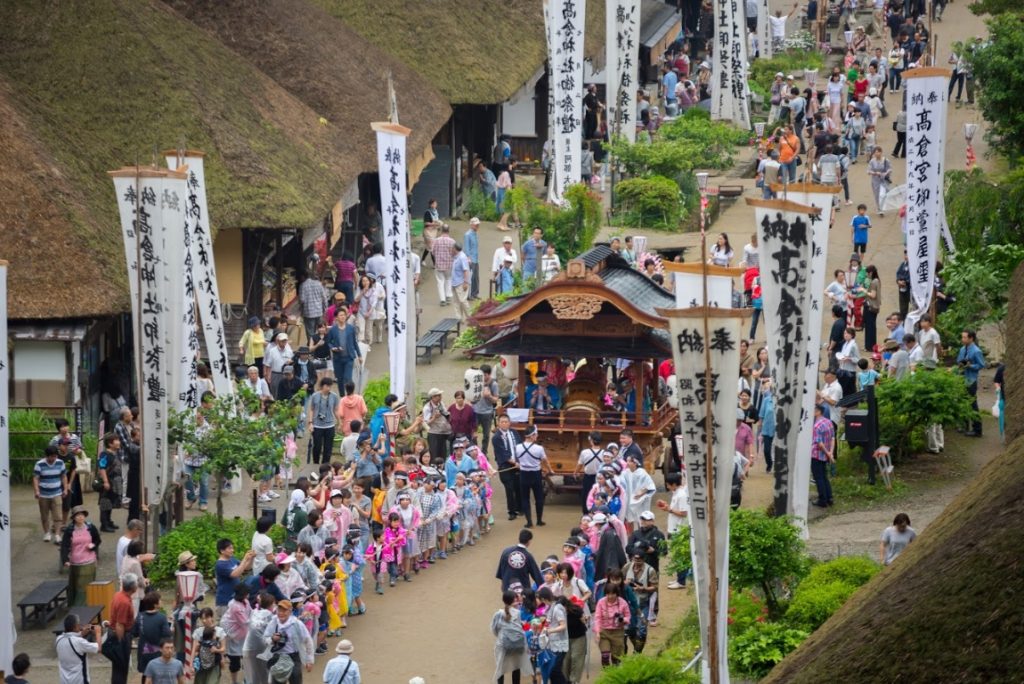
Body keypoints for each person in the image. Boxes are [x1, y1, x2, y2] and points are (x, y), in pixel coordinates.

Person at [263, 599, 315, 683]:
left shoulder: (297, 624)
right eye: (279, 610)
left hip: (293, 657)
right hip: (277, 657)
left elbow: (308, 641)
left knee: (295, 681)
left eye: (284, 610)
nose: (281, 613)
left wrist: (309, 660)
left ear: (290, 611)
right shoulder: (273, 622)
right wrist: (272, 639)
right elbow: (265, 640)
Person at [512, 425, 552, 528]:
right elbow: (545, 461)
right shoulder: (539, 448)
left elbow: (516, 460)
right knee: (539, 498)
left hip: (524, 474)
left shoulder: (518, 447)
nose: (537, 436)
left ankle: (529, 521)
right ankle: (539, 520)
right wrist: (550, 469)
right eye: (536, 434)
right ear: (532, 435)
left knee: (525, 498)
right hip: (536, 474)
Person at [60, 505, 100, 606]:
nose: (80, 517)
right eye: (78, 515)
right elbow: (64, 546)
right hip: (75, 562)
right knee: (75, 586)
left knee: (85, 586)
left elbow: (97, 540)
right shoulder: (69, 530)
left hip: (89, 561)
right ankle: (75, 606)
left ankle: (83, 607)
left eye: (82, 515)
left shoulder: (90, 527)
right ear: (74, 517)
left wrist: (93, 546)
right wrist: (65, 560)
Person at [491, 590, 531, 684]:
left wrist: (502, 636)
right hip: (517, 645)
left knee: (500, 668)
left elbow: (494, 629)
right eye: (516, 598)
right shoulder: (518, 613)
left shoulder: (498, 614)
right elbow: (519, 630)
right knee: (516, 667)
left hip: (503, 645)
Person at [34, 444, 67, 543]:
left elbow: (64, 476)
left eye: (55, 456)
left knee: (58, 516)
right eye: (51, 456)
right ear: (46, 456)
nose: (53, 458)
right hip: (43, 494)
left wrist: (65, 488)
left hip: (57, 493)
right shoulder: (39, 464)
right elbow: (36, 478)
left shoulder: (60, 463)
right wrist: (37, 491)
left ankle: (57, 535)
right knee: (44, 516)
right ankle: (47, 533)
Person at [55, 613, 101, 684]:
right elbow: (98, 648)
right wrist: (98, 633)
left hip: (64, 681)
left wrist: (81, 633)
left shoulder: (58, 639)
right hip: (79, 681)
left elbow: (70, 637)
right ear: (74, 627)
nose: (80, 626)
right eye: (79, 624)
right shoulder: (79, 642)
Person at [594, 581, 631, 667]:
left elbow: (628, 616)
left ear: (616, 594)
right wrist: (597, 632)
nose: (610, 596)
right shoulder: (601, 602)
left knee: (616, 657)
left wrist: (623, 620)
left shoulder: (623, 603)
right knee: (605, 655)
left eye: (612, 594)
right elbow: (597, 618)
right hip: (604, 632)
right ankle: (607, 672)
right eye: (608, 594)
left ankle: (614, 674)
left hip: (618, 632)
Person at [536, 588, 570, 683]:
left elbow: (563, 626)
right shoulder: (551, 607)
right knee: (552, 671)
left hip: (560, 644)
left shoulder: (557, 608)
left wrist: (549, 631)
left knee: (554, 670)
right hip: (553, 644)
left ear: (543, 598)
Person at [492, 414, 521, 520]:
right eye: (502, 422)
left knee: (518, 486)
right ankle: (512, 511)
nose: (504, 423)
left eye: (506, 421)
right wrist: (514, 463)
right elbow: (503, 454)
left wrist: (520, 461)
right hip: (505, 466)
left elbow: (520, 446)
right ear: (499, 424)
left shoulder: (514, 432)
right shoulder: (496, 437)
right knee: (509, 488)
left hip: (517, 464)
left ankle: (520, 508)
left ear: (509, 423)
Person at [110, 573, 138, 684]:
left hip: (120, 633)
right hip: (121, 635)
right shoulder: (124, 602)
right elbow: (120, 624)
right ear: (132, 587)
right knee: (121, 668)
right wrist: (120, 644)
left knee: (118, 668)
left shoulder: (119, 595)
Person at [957, 330, 986, 437]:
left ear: (971, 338)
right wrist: (961, 364)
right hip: (961, 378)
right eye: (962, 337)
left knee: (972, 404)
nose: (962, 339)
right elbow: (959, 361)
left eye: (964, 337)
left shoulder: (976, 351)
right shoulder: (962, 349)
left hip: (971, 379)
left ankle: (977, 429)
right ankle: (964, 425)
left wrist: (970, 366)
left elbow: (981, 365)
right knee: (962, 402)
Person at [325, 309, 361, 387]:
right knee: (340, 379)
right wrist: (333, 348)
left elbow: (354, 343)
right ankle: (342, 395)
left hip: (349, 357)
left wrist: (359, 355)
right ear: (336, 318)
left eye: (344, 315)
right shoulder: (333, 330)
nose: (343, 317)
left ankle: (350, 395)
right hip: (338, 358)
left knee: (348, 378)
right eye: (340, 315)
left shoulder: (351, 328)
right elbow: (329, 342)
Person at [308, 378, 340, 465]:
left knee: (328, 449)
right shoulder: (315, 396)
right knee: (317, 447)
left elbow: (335, 410)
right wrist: (310, 423)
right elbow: (311, 409)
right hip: (317, 425)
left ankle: (325, 466)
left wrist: (340, 422)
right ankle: (315, 464)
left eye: (330, 386)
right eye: (326, 386)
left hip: (329, 425)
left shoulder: (334, 396)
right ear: (322, 386)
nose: (328, 388)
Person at [573, 431, 604, 516]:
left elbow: (580, 464)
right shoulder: (604, 453)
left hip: (588, 477)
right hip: (600, 478)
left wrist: (575, 473)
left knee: (586, 496)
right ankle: (598, 513)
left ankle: (586, 514)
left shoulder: (585, 452)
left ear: (591, 440)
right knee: (599, 496)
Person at [811, 404, 835, 507]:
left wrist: (827, 453)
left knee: (818, 477)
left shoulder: (816, 426)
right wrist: (830, 453)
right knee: (824, 476)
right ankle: (829, 497)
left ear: (818, 412)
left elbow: (819, 443)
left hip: (817, 454)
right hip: (826, 454)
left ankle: (822, 500)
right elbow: (833, 438)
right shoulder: (829, 422)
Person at [451, 242, 472, 322]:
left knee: (462, 300)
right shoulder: (456, 256)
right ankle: (459, 318)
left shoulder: (462, 257)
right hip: (455, 282)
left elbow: (465, 270)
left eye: (452, 248)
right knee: (456, 301)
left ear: (455, 249)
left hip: (461, 283)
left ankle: (470, 317)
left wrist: (466, 282)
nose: (451, 250)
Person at [465, 217, 481, 299]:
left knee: (476, 277)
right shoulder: (468, 235)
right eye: (476, 225)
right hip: (471, 259)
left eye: (478, 225)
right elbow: (467, 248)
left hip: (476, 258)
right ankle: (469, 294)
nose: (477, 227)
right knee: (471, 277)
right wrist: (468, 258)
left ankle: (475, 293)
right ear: (471, 225)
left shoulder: (475, 234)